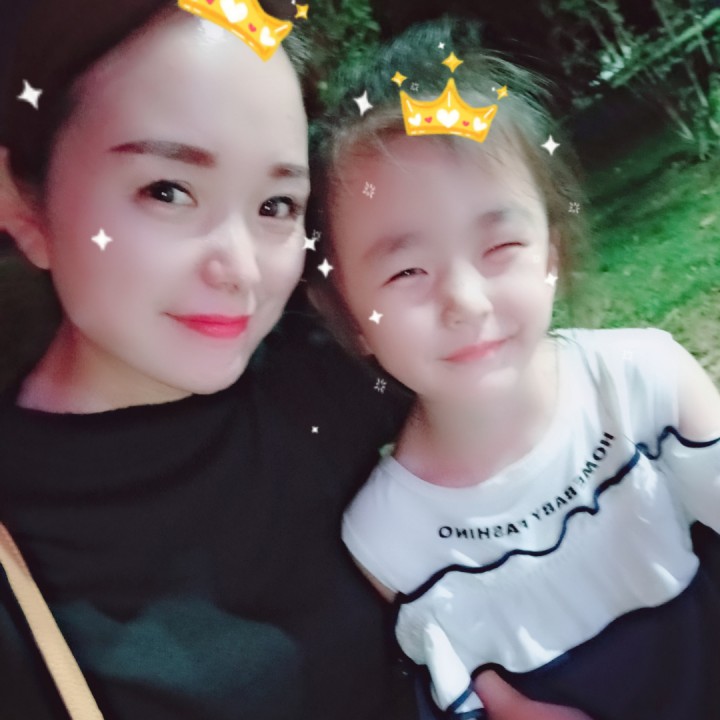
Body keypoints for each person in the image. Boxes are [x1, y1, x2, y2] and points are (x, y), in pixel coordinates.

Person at [0, 2, 422, 718]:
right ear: (23, 205)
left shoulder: (338, 374)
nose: (242, 271)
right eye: (167, 191)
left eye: (276, 205)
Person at [307, 18, 720, 720]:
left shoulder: (646, 384)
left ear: (550, 252)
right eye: (407, 270)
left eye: (500, 247)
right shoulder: (386, 538)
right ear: (348, 313)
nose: (465, 301)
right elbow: (472, 694)